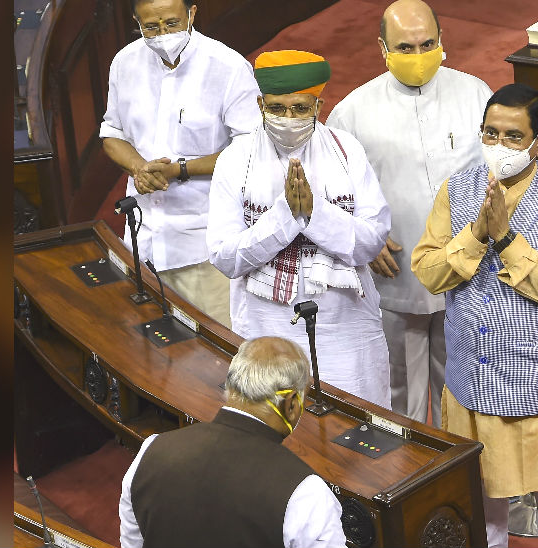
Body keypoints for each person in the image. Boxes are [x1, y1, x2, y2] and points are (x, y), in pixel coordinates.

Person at [412, 83, 538, 548]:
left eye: (514, 137)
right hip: (473, 383)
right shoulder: (456, 192)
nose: (500, 146)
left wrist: (505, 238)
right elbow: (429, 272)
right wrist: (476, 233)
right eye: (491, 133)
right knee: (482, 510)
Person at [326, 0, 492, 427]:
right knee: (402, 392)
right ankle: (410, 482)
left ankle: (460, 479)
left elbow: (500, 169)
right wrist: (366, 238)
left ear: (442, 41)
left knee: (463, 390)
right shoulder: (352, 112)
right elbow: (333, 192)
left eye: (427, 44)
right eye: (405, 47)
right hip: (396, 272)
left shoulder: (474, 93)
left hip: (467, 269)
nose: (418, 57)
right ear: (382, 48)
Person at [206, 50, 392, 409]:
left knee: (356, 439)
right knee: (277, 435)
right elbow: (224, 256)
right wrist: (285, 217)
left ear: (318, 106)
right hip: (266, 327)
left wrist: (315, 214)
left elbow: (371, 241)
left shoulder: (346, 151)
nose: (288, 118)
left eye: (300, 108)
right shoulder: (235, 159)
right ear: (260, 104)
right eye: (277, 109)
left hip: (345, 332)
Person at [99, 0, 262, 328]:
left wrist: (180, 170)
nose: (162, 35)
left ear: (192, 13)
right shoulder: (124, 63)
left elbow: (252, 149)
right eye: (151, 27)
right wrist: (139, 167)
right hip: (141, 239)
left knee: (218, 356)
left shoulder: (227, 67)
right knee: (149, 351)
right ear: (136, 21)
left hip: (204, 247)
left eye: (172, 24)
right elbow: (112, 133)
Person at [119, 336, 347, 548]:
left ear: (230, 389)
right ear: (291, 405)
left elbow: (132, 543)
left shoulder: (151, 450)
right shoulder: (306, 493)